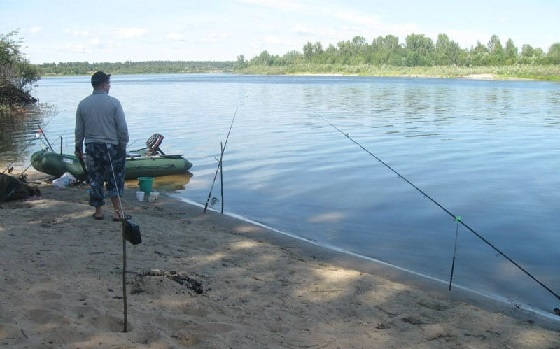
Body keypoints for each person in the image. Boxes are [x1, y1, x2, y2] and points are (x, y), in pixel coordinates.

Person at [75, 71, 129, 221]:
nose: (110, 86)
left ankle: (99, 212)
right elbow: (122, 128)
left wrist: (78, 148)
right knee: (115, 179)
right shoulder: (114, 103)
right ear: (104, 85)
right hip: (111, 146)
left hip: (92, 147)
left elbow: (79, 130)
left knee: (95, 179)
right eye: (109, 83)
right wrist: (123, 145)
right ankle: (118, 212)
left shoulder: (83, 104)